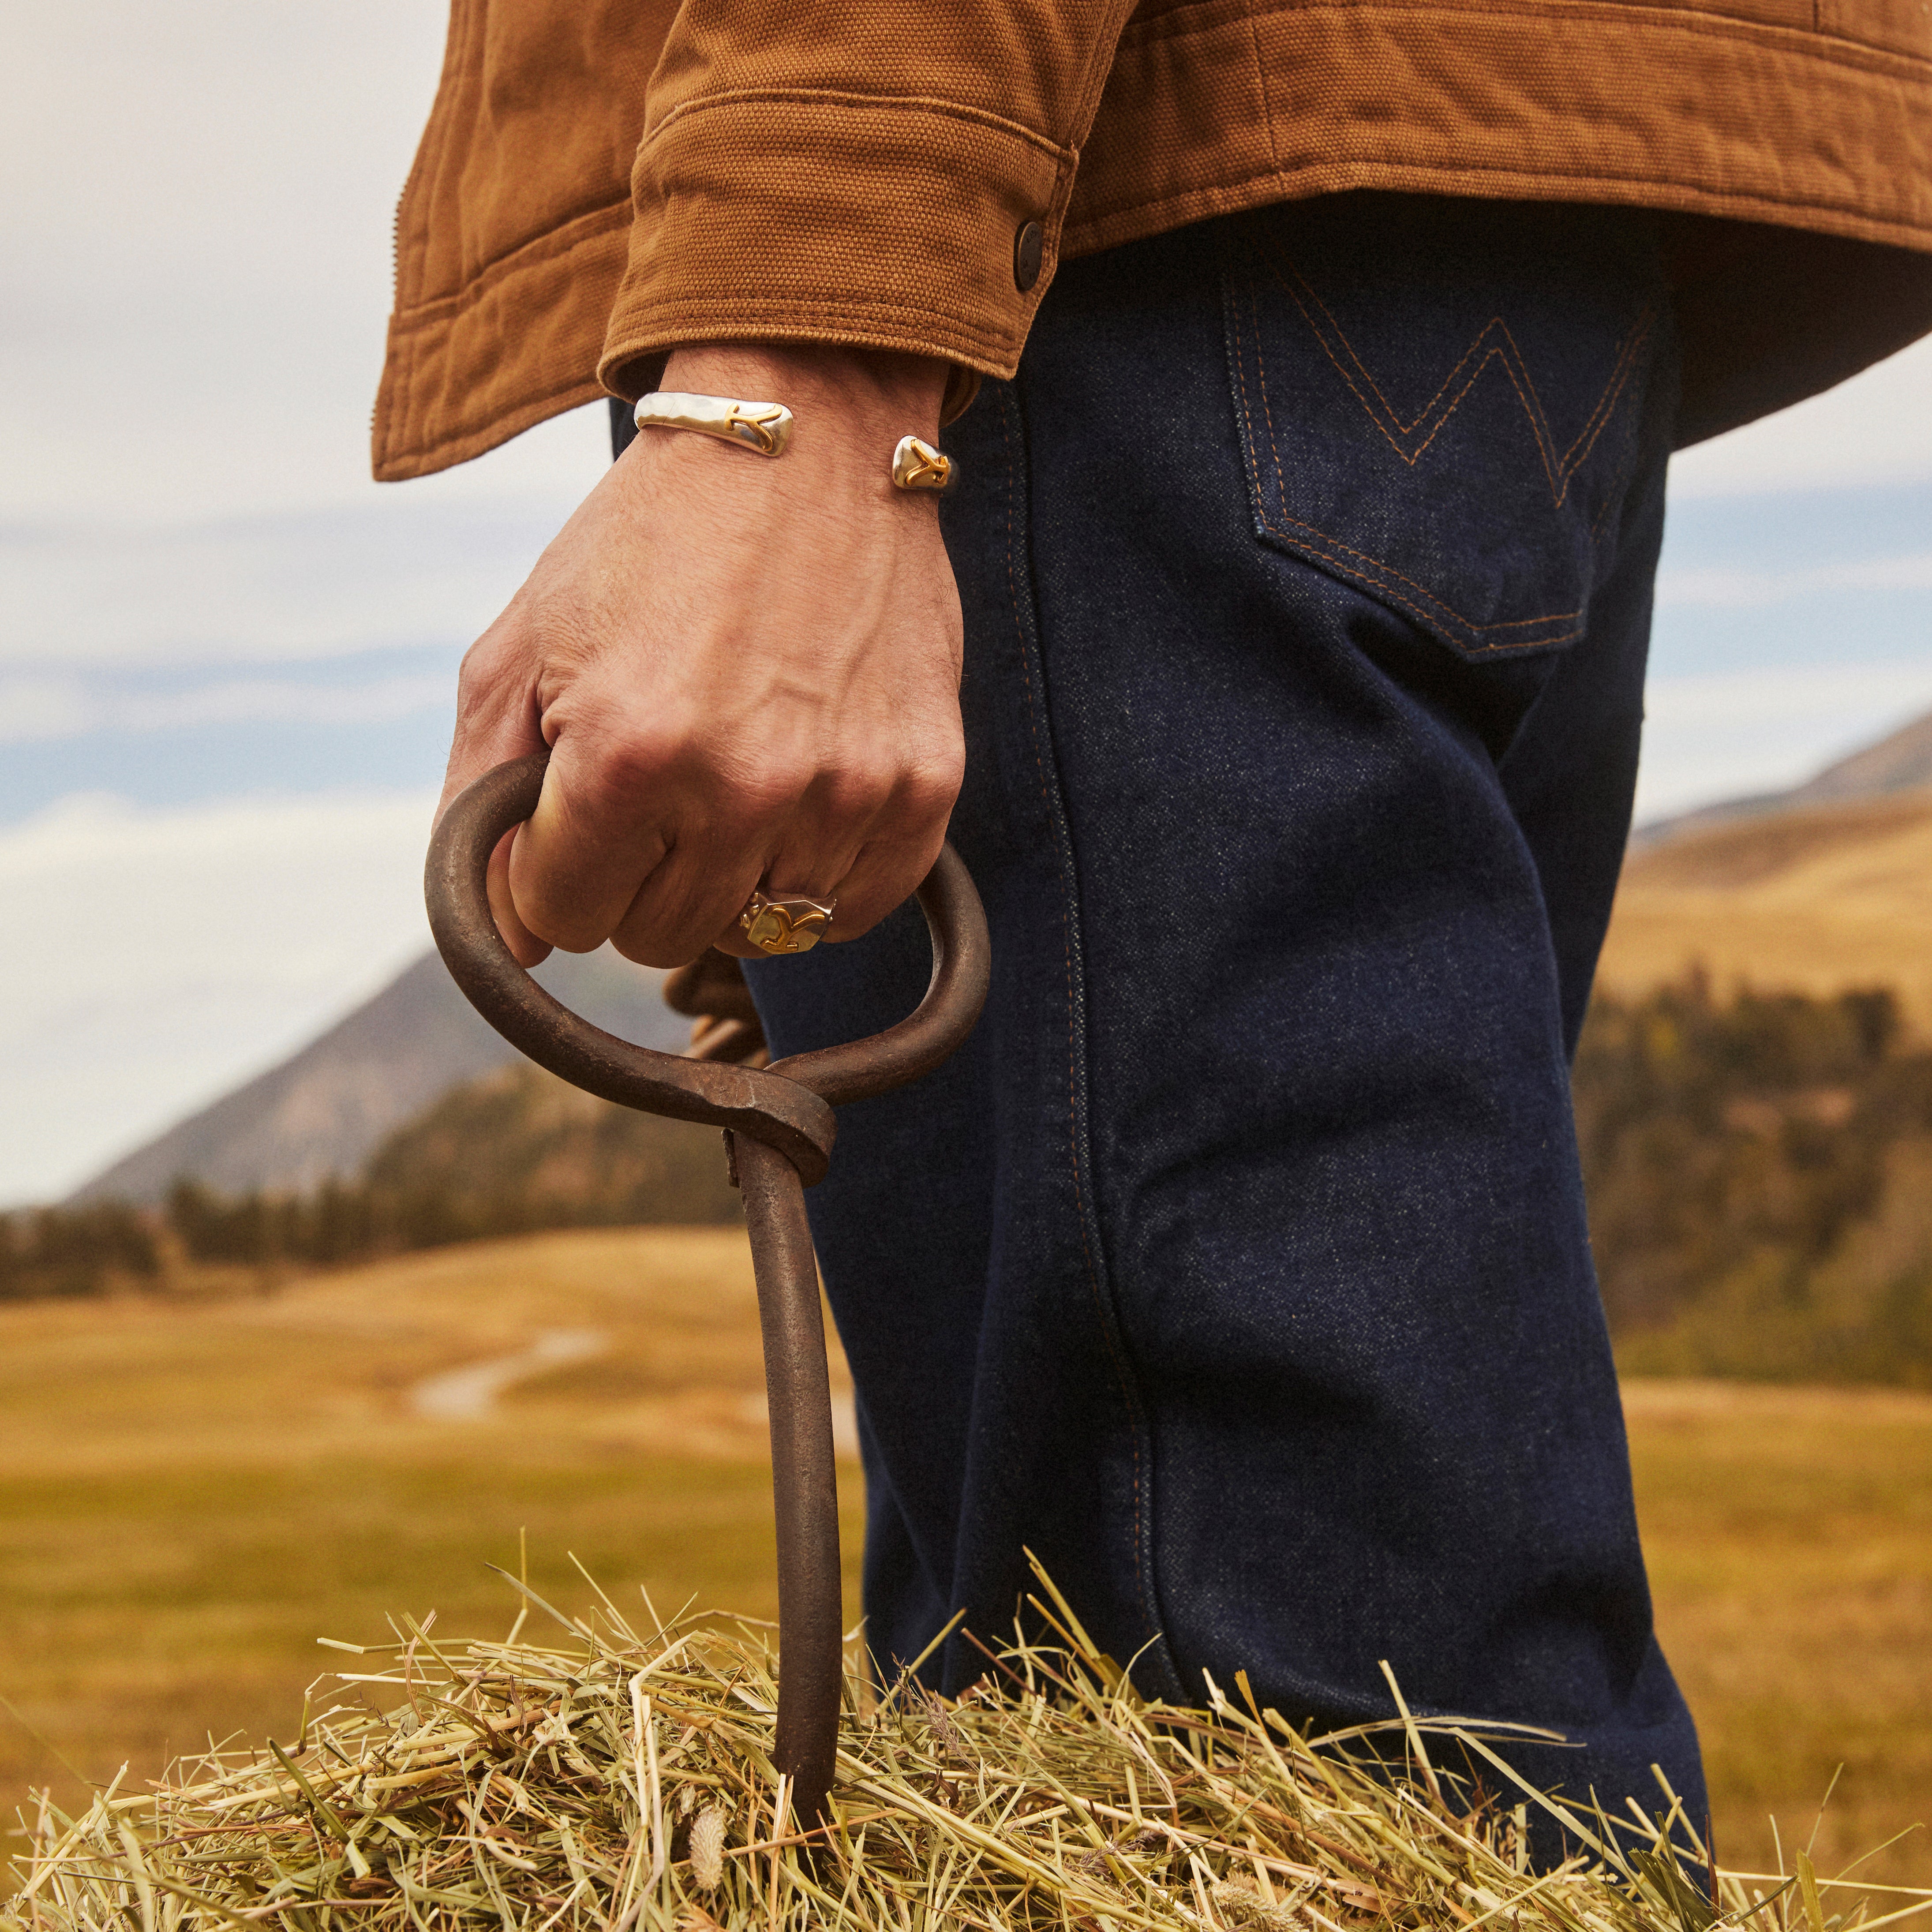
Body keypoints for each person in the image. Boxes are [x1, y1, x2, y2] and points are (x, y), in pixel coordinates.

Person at [380, 0, 1932, 1847]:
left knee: (1223, 1756)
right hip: (1485, 228)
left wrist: (790, 361)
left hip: (1111, 236)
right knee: (1396, 1718)